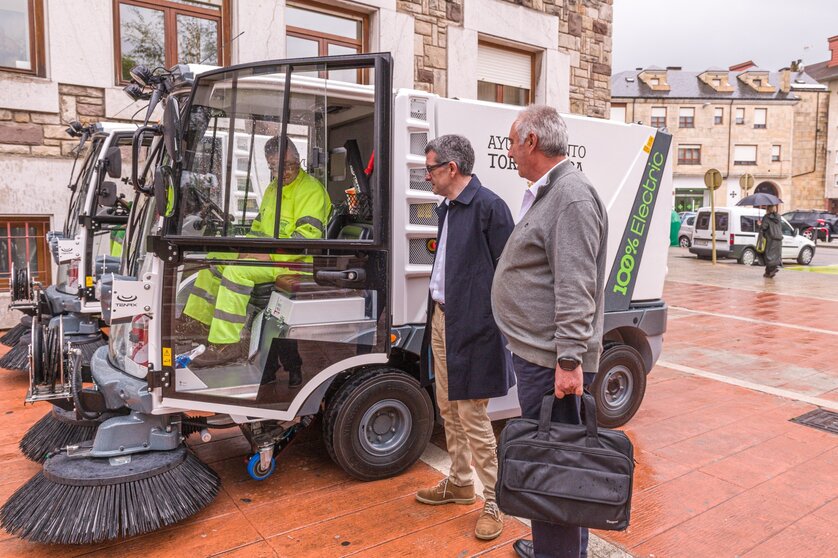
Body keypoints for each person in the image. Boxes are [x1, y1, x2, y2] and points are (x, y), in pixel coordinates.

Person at [491, 105, 608, 558]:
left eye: (512, 143)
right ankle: (558, 550)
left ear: (532, 142)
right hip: (541, 356)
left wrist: (568, 362)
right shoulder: (552, 192)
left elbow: (576, 286)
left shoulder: (570, 197)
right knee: (558, 464)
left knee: (552, 469)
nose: (511, 152)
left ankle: (556, 553)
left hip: (552, 364)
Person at [414, 134, 515, 541]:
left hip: (475, 327)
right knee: (448, 407)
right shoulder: (449, 209)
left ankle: (495, 498)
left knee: (473, 414)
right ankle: (458, 483)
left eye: (431, 169)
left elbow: (510, 277)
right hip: (442, 319)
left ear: (451, 169)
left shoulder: (490, 208)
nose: (428, 176)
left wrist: (492, 326)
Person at [181, 136, 331, 375]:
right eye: (274, 167)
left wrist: (267, 256)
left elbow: (306, 239)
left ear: (298, 160)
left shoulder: (311, 190)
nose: (282, 172)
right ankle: (196, 324)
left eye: (289, 166)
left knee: (235, 272)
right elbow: (259, 229)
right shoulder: (274, 188)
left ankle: (227, 344)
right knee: (215, 259)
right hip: (273, 255)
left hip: (294, 262)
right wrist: (245, 248)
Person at [760, 205, 783, 278]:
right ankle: (768, 272)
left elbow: (763, 227)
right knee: (776, 255)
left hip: (771, 239)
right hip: (779, 239)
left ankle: (772, 269)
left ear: (768, 209)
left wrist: (759, 224)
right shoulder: (779, 217)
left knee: (768, 255)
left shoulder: (766, 217)